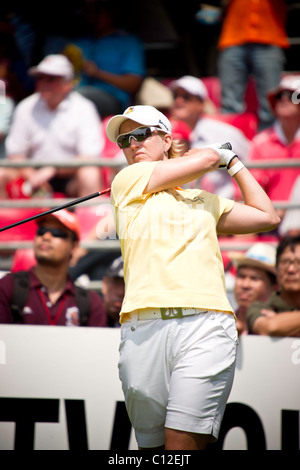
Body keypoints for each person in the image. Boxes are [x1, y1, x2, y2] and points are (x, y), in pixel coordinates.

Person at [105, 104, 280, 450]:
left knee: (181, 446)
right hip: (143, 328)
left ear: (167, 140)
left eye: (142, 134)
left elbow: (267, 215)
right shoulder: (125, 182)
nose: (133, 144)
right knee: (151, 451)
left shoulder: (203, 199)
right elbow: (201, 161)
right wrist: (218, 153)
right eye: (125, 140)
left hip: (206, 324)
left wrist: (235, 164)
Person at [0, 54, 104, 199]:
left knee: (90, 173)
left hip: (70, 176)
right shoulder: (26, 107)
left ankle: (92, 221)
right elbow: (16, 154)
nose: (44, 83)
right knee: (1, 174)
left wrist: (54, 169)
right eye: (40, 78)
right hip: (30, 174)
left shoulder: (84, 108)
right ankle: (6, 222)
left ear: (67, 84)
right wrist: (32, 175)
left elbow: (90, 156)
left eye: (51, 79)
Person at [0, 208, 107, 326]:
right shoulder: (7, 287)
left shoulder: (91, 303)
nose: (45, 237)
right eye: (41, 231)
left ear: (74, 246)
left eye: (57, 232)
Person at [169, 75, 251, 198]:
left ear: (201, 104)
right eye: (176, 96)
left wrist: (241, 196)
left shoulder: (225, 132)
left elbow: (251, 163)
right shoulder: (165, 132)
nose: (179, 101)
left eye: (186, 97)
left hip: (223, 208)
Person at [217, 0, 289, 131]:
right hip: (233, 37)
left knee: (270, 104)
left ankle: (268, 146)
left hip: (269, 36)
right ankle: (227, 145)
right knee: (229, 105)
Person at [72, 1, 146, 117]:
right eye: (87, 11)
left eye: (97, 11)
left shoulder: (128, 42)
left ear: (111, 12)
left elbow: (133, 83)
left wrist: (98, 73)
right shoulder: (80, 41)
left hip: (113, 99)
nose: (91, 16)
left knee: (77, 98)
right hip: (73, 91)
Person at [248, 75, 300, 218]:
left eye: (292, 96)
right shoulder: (260, 142)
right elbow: (252, 192)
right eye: (279, 96)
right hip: (271, 220)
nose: (284, 99)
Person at [247, 235, 300, 336]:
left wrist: (285, 323)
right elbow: (270, 327)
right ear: (276, 268)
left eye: (298, 263)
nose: (291, 269)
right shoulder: (260, 306)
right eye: (285, 262)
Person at [230, 243, 277, 335]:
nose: (245, 285)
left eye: (254, 278)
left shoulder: (285, 326)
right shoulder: (221, 321)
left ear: (274, 286)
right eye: (241, 276)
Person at [101, 255, 124, 327]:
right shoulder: (89, 316)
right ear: (105, 284)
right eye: (116, 283)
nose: (120, 292)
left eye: (127, 285)